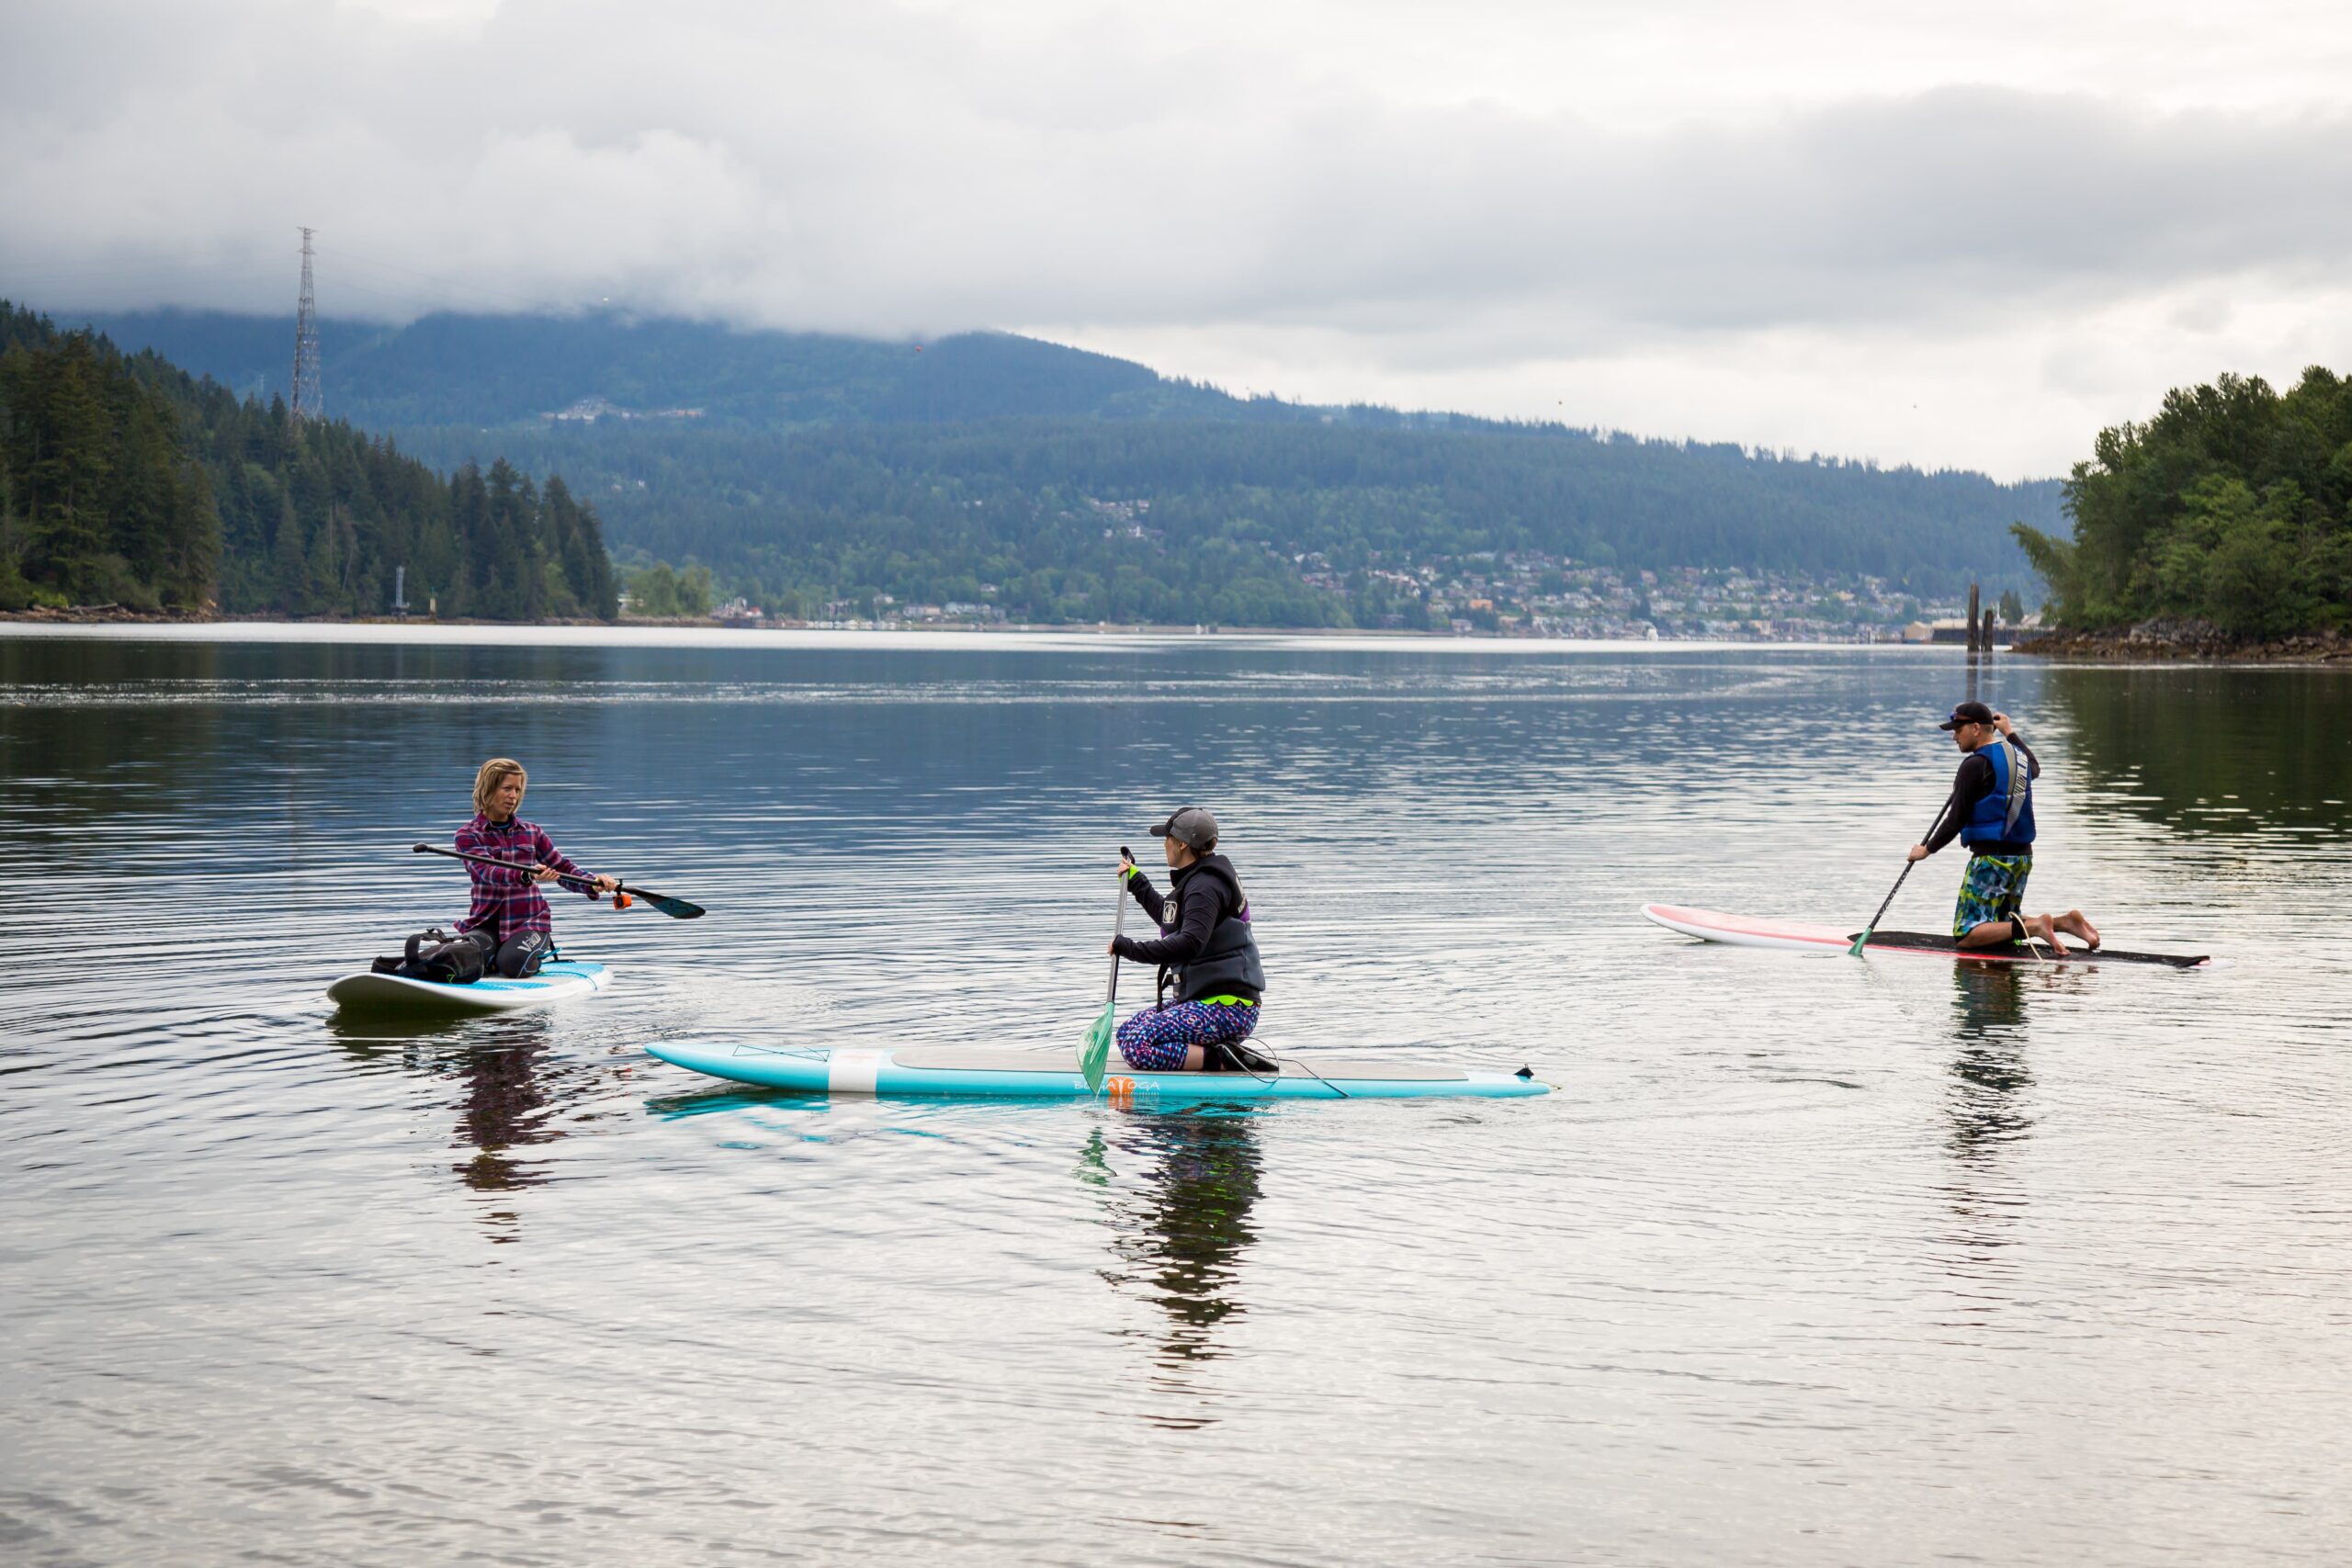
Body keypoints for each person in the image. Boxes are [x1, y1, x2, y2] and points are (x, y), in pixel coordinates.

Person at [1905, 702, 2099, 955]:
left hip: (1991, 861)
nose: (1954, 737)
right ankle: (2064, 922)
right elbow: (2036, 768)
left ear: (1976, 728)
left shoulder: (1972, 766)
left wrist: (1926, 850)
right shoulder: (2019, 759)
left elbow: (1956, 820)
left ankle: (2039, 926)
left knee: (1967, 934)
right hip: (2021, 858)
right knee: (1999, 925)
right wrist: (2009, 732)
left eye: (1957, 730)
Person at [1108, 806, 1272, 1072]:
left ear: (1182, 844)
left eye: (1168, 838)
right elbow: (1170, 918)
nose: (1164, 844)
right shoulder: (1199, 880)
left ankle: (1224, 1059)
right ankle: (1211, 1052)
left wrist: (1128, 948)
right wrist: (1136, 882)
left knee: (1137, 1045)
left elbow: (1189, 943)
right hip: (1204, 1000)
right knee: (1126, 1033)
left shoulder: (1205, 887)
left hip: (1228, 1008)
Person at [453, 758, 616, 976]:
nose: (513, 796)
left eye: (518, 790)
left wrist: (593, 884)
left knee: (512, 964)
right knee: (461, 960)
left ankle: (512, 958)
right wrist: (526, 875)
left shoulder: (532, 832)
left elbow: (562, 867)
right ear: (488, 789)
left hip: (530, 922)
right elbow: (487, 872)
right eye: (507, 788)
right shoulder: (468, 835)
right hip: (486, 922)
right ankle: (492, 959)